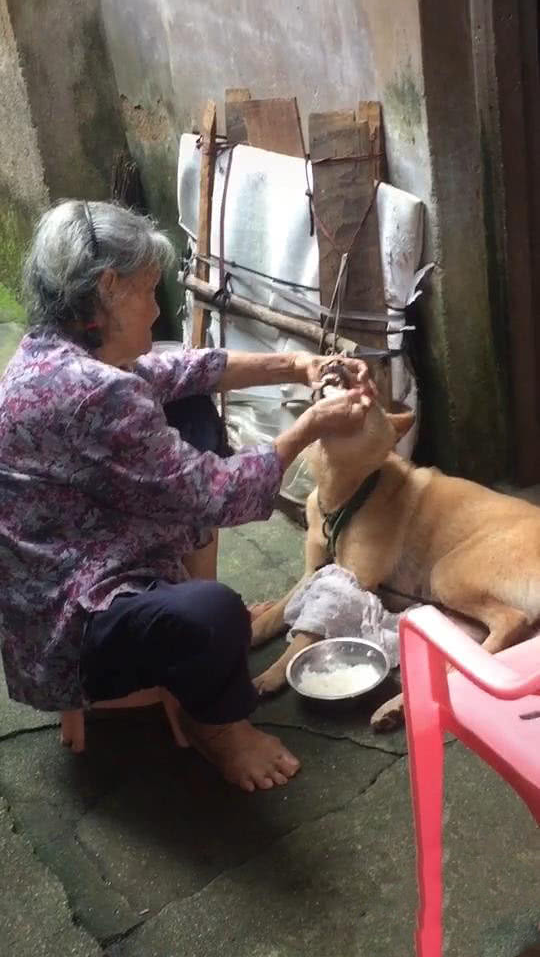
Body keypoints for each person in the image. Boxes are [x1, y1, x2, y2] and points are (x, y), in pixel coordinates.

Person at [0, 199, 374, 792]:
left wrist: (300, 364)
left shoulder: (52, 352)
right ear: (109, 287)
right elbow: (216, 494)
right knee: (214, 615)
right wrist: (309, 428)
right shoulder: (93, 393)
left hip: (83, 550)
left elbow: (188, 370)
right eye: (148, 291)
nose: (157, 309)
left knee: (191, 404)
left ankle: (192, 632)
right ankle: (215, 726)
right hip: (71, 622)